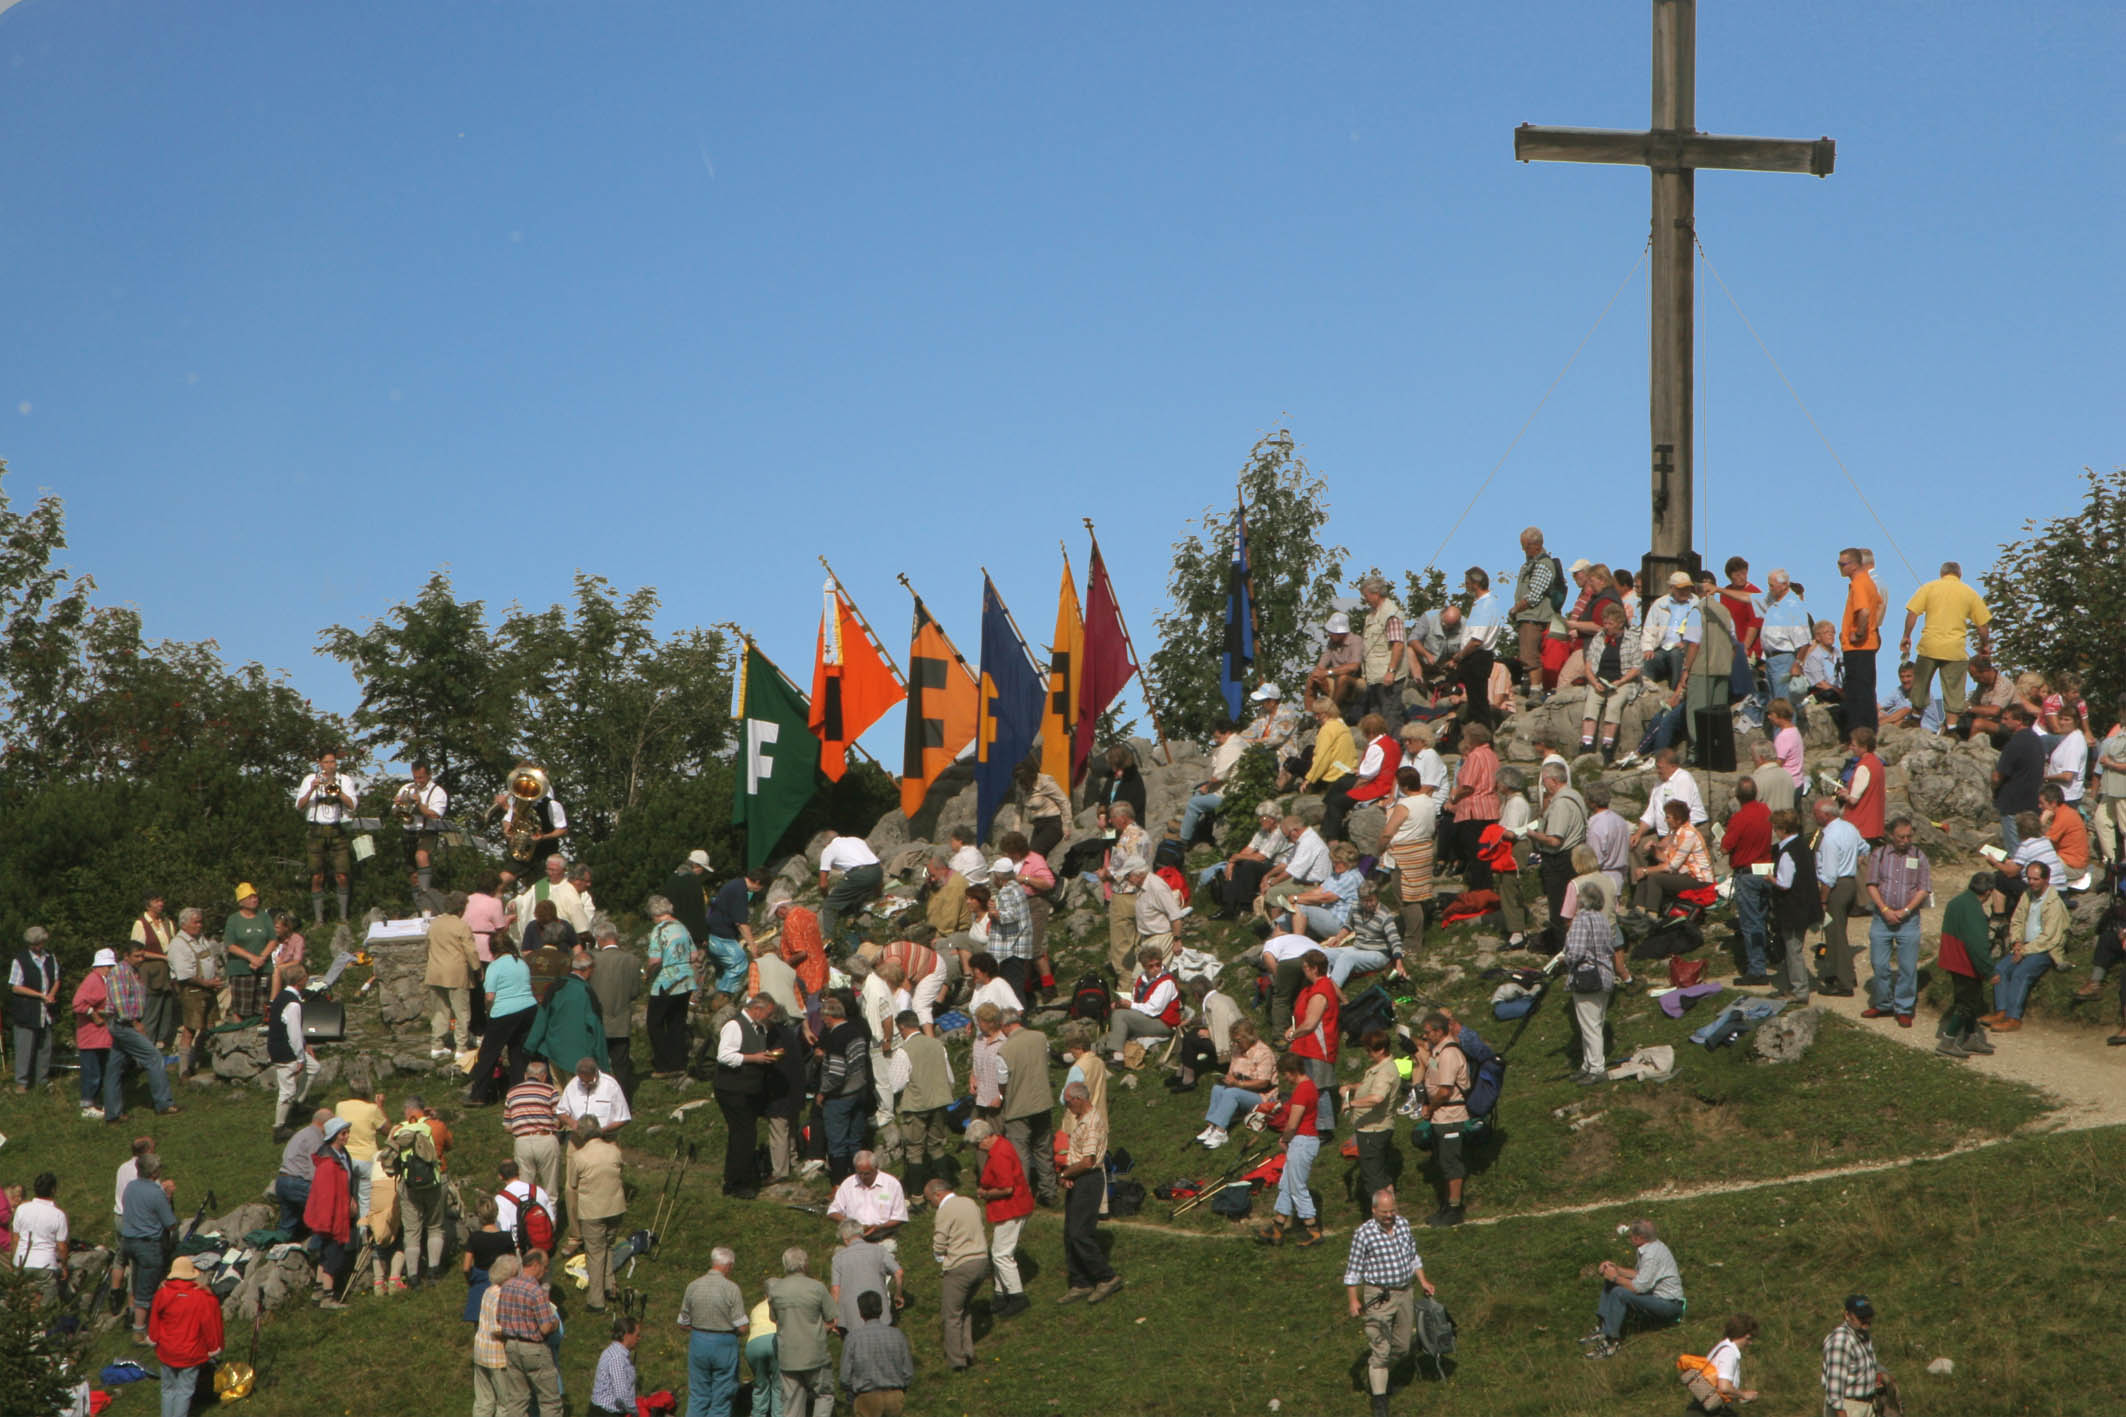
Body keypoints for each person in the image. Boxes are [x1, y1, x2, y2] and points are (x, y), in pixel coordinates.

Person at [1344, 1186, 1434, 1417]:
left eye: (1392, 1210)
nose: (1389, 1215)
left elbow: (1413, 1256)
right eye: (1384, 1211)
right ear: (1373, 1209)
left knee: (1403, 1347)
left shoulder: (1403, 1224)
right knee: (1381, 1348)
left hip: (1405, 1292)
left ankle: (1380, 1374)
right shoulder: (1363, 1234)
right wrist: (1353, 1300)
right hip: (1379, 1297)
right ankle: (1380, 1400)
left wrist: (1423, 1280)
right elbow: (1353, 1271)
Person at [1056, 1080, 1123, 1304]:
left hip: (1088, 1180)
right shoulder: (1082, 1121)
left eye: (1068, 1102)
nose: (1067, 1107)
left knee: (1079, 1233)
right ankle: (1080, 1282)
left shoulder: (1092, 1124)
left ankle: (1107, 1277)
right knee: (1070, 1233)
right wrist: (1069, 1175)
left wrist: (1066, 1175)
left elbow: (1087, 1162)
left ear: (1078, 1099)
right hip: (1079, 1178)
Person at [1862, 817, 1932, 1027]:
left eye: (1909, 836)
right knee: (1879, 963)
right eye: (1901, 836)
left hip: (1908, 920)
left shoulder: (1919, 856)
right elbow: (1871, 884)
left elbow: (1924, 888)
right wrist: (1884, 909)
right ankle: (1883, 1003)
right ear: (1891, 835)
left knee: (1908, 967)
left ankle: (1904, 1007)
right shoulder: (1879, 855)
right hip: (1881, 919)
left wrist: (1906, 910)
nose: (1905, 840)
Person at [1584, 1218, 1686, 1358]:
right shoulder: (1649, 1247)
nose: (1629, 1238)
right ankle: (1603, 1328)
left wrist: (1615, 1277)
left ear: (1639, 1238)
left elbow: (1638, 1288)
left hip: (1669, 1305)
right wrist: (1615, 1269)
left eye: (1631, 1236)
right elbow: (1640, 1275)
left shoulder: (1651, 1255)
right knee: (1612, 1283)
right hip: (1657, 1298)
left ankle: (1612, 1342)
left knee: (1619, 1292)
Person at [1987, 861, 2068, 1033]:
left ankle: (2013, 1017)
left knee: (2020, 973)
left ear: (2046, 879)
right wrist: (2017, 942)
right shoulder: (2027, 895)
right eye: (2029, 879)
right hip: (2024, 946)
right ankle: (2001, 1010)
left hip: (2044, 951)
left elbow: (2049, 938)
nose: (2031, 882)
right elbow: (2017, 920)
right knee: (2000, 968)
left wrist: (2023, 951)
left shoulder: (2054, 904)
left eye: (2036, 879)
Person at [1901, 562, 1989, 716]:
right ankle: (1951, 727)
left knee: (1920, 685)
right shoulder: (1969, 593)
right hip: (1955, 650)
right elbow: (1982, 625)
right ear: (1959, 575)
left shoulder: (1929, 587)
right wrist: (1984, 645)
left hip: (1930, 645)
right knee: (1954, 691)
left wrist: (1906, 636)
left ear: (1942, 574)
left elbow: (1912, 613)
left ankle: (1914, 719)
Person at [1561, 884, 1628, 1083]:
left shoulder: (1581, 920)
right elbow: (1609, 947)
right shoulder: (1603, 920)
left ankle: (1596, 1068)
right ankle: (1588, 1064)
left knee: (1589, 1025)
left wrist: (1564, 958)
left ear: (1582, 900)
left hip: (1586, 976)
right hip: (1605, 975)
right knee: (1595, 1022)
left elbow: (1577, 951)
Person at [714, 993, 778, 1198]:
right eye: (768, 1014)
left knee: (744, 1134)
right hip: (733, 1089)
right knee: (743, 1134)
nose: (769, 1019)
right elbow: (724, 1056)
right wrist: (755, 1058)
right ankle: (735, 1182)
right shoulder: (735, 1026)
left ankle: (739, 1178)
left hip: (748, 1089)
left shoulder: (758, 1028)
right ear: (757, 1009)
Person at [106, 942, 180, 1119]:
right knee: (154, 1057)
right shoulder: (120, 972)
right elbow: (120, 1002)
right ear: (126, 956)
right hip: (124, 1024)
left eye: (142, 956)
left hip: (127, 1023)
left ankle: (113, 1114)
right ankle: (164, 1104)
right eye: (136, 956)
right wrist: (135, 1024)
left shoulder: (134, 972)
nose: (140, 959)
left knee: (114, 1069)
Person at [967, 1119, 1033, 1316]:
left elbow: (1006, 1188)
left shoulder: (1000, 1155)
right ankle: (1000, 1293)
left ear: (986, 1138)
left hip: (1012, 1208)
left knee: (1001, 1254)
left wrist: (985, 1193)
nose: (977, 1148)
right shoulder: (1001, 1146)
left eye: (977, 1144)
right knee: (998, 1251)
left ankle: (1017, 1296)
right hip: (1014, 1207)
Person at [149, 1254, 223, 1417]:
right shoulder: (201, 1297)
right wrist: (213, 1347)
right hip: (191, 1351)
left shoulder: (163, 1293)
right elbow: (210, 1324)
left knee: (167, 1389)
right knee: (185, 1391)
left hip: (167, 1350)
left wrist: (154, 1339)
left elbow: (154, 1321)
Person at [1414, 1012, 1470, 1227]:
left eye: (1427, 1033)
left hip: (1450, 1115)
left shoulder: (1448, 1054)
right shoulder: (1439, 1052)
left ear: (1439, 1031)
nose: (1425, 1036)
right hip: (1441, 1116)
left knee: (1451, 1163)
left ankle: (1455, 1208)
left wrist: (1429, 1107)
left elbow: (1445, 1091)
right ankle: (1447, 1205)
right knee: (1444, 1162)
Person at [998, 1011, 1059, 1206]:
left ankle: (1023, 1195)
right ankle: (1049, 1191)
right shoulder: (1041, 1038)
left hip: (1018, 1107)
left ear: (1005, 1027)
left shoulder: (1004, 1050)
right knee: (1043, 1148)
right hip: (1042, 1102)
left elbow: (1002, 1081)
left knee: (1020, 1153)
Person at [767, 1247, 837, 1417]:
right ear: (805, 1264)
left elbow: (773, 1318)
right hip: (815, 1353)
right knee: (824, 1395)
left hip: (788, 1355)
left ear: (785, 1265)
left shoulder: (775, 1290)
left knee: (792, 1402)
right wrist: (821, 1330)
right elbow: (832, 1318)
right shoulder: (817, 1287)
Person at [679, 1247, 749, 1417]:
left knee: (698, 1395)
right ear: (729, 1265)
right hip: (724, 1343)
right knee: (722, 1397)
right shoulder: (731, 1288)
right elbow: (742, 1327)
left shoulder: (693, 1286)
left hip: (698, 1342)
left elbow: (682, 1322)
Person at [469, 937, 539, 1106]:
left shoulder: (495, 966)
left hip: (504, 1012)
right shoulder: (521, 963)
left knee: (488, 1053)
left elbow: (490, 995)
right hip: (529, 1009)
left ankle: (479, 1094)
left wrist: (487, 1009)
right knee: (518, 1053)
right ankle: (518, 1092)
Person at [927, 1176, 987, 1371]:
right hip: (981, 1261)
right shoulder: (970, 1202)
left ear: (937, 1194)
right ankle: (967, 1350)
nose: (932, 1204)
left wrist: (939, 1257)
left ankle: (957, 1361)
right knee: (964, 1308)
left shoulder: (946, 1210)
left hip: (960, 1266)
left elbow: (940, 1241)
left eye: (930, 1199)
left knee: (951, 1314)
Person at [567, 1115, 627, 1313]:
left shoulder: (578, 1157)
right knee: (609, 1246)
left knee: (595, 1253)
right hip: (615, 1207)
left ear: (582, 1134)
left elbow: (573, 1185)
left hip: (592, 1211)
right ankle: (611, 1286)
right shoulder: (614, 1151)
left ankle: (596, 1300)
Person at [494, 1247, 563, 1416]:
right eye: (545, 1267)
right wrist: (554, 1322)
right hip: (535, 1350)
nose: (546, 1271)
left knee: (517, 1400)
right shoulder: (535, 1290)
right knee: (550, 1402)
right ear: (535, 1265)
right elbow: (545, 1328)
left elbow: (499, 1319)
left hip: (511, 1347)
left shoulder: (507, 1286)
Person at [1720, 776, 1775, 982]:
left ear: (1737, 796)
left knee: (1751, 922)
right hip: (1765, 869)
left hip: (1748, 873)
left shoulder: (1739, 818)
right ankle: (1769, 956)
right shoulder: (1765, 811)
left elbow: (1726, 846)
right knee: (1762, 917)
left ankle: (1756, 969)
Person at [390, 1097, 450, 1281]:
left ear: (408, 1110)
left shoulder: (400, 1130)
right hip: (435, 1181)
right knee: (435, 1227)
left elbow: (389, 1152)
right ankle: (433, 1270)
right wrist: (436, 1118)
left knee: (412, 1231)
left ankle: (413, 1276)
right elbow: (449, 1145)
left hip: (409, 1185)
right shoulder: (437, 1126)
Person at [891, 1012, 955, 1188]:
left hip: (916, 1107)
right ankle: (945, 1188)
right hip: (940, 1103)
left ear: (902, 1027)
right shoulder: (938, 1045)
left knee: (914, 1151)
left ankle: (917, 1196)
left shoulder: (903, 1052)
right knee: (936, 1146)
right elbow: (950, 1078)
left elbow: (896, 1085)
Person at [1813, 798, 1868, 997]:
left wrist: (1823, 900)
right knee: (1839, 932)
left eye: (1816, 813)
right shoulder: (1850, 828)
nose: (1814, 816)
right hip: (1850, 883)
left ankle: (1844, 983)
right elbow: (1865, 847)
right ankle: (1845, 973)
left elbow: (1828, 876)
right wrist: (1856, 860)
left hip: (1836, 888)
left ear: (1826, 815)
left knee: (1835, 934)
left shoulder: (1829, 839)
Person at [643, 893, 702, 1078]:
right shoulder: (682, 928)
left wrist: (646, 972)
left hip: (666, 981)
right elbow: (694, 956)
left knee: (655, 1023)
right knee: (677, 1022)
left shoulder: (659, 930)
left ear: (653, 914)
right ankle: (679, 1063)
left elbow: (655, 959)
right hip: (685, 980)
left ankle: (663, 1065)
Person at [816, 996, 875, 1181]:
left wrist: (822, 1092)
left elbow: (836, 1074)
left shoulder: (836, 1037)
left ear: (828, 1017)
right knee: (855, 1140)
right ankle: (858, 1179)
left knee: (837, 1143)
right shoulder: (857, 1031)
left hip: (840, 1097)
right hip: (860, 1091)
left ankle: (838, 1184)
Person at [295, 749, 358, 922]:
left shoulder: (344, 780)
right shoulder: (309, 779)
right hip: (316, 830)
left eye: (333, 762)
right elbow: (299, 806)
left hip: (337, 829)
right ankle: (319, 919)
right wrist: (311, 789)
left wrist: (338, 791)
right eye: (327, 762)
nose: (330, 765)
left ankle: (343, 916)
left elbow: (352, 805)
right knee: (316, 875)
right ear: (319, 763)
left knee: (342, 874)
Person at [119, 1153, 178, 1336]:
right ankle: (139, 1330)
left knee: (136, 1281)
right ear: (155, 1172)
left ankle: (131, 1313)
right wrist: (167, 1197)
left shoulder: (130, 1187)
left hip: (128, 1241)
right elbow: (170, 1223)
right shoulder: (155, 1192)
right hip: (148, 1245)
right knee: (146, 1288)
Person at [1342, 1030, 1402, 1205]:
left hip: (1373, 1131)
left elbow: (1377, 1098)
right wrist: (1351, 1088)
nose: (1367, 1054)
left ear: (1381, 1050)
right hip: (1373, 1129)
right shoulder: (1382, 1069)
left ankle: (1383, 1217)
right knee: (1380, 1176)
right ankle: (1389, 1213)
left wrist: (1351, 1104)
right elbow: (1369, 1086)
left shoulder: (1385, 1071)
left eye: (1369, 1050)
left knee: (1374, 1180)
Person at [304, 1116, 359, 1307]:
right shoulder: (329, 1163)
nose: (347, 1137)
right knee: (333, 1255)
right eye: (343, 1133)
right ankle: (328, 1295)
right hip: (334, 1216)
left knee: (326, 1252)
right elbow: (328, 1195)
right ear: (334, 1136)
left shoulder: (341, 1156)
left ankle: (319, 1290)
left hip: (340, 1212)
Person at [1767, 808, 1820, 1003]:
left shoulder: (1787, 852)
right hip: (1806, 906)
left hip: (1793, 909)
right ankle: (1797, 985)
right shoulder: (1802, 846)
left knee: (1793, 950)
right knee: (1795, 948)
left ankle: (1799, 990)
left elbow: (1785, 883)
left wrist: (1771, 879)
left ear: (1782, 829)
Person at [425, 894, 482, 1058]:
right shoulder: (461, 926)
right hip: (456, 972)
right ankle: (461, 1047)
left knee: (439, 1011)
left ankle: (436, 1045)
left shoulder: (434, 924)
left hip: (435, 971)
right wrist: (477, 968)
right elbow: (470, 951)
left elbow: (426, 946)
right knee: (461, 1012)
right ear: (461, 908)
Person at [840, 1289, 912, 1417]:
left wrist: (853, 1393)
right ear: (881, 1309)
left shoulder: (853, 1338)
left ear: (860, 1312)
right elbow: (908, 1372)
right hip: (894, 1396)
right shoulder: (897, 1334)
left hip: (866, 1398)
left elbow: (845, 1378)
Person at [826, 1151, 909, 1264]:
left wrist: (878, 1227)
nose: (863, 1177)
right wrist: (851, 1224)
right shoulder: (848, 1184)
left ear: (876, 1168)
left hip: (883, 1236)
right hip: (854, 1238)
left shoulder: (891, 1184)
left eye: (867, 1173)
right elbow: (832, 1212)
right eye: (859, 1173)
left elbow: (900, 1217)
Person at [1632, 799, 1714, 912]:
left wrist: (1646, 870)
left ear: (1678, 819)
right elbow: (1666, 859)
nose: (1666, 820)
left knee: (1654, 877)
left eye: (1668, 817)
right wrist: (1653, 850)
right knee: (1646, 874)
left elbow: (1671, 866)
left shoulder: (1688, 834)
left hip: (1699, 879)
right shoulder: (1678, 833)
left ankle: (1651, 913)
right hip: (1686, 874)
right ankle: (1638, 910)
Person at [1836, 547, 1884, 733]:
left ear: (1854, 565)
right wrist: (1873, 628)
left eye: (1842, 564)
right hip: (1867, 644)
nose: (1839, 567)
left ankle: (1858, 732)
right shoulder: (1868, 582)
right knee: (1866, 689)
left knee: (1857, 692)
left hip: (1858, 646)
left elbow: (1864, 610)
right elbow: (1879, 605)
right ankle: (1868, 730)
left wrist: (1859, 632)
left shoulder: (1859, 583)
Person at [1104, 944, 1180, 1060]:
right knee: (1116, 1031)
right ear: (1144, 966)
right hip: (1146, 1017)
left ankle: (1117, 1056)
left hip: (1163, 1022)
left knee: (1120, 1015)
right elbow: (1137, 1000)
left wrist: (1130, 1005)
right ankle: (1088, 1052)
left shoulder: (1166, 982)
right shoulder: (1142, 978)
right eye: (1151, 966)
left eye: (1158, 964)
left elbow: (1154, 1010)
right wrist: (1121, 1003)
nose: (1156, 968)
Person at [503, 1061, 565, 1202]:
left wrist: (523, 1125)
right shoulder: (551, 1091)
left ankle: (528, 1221)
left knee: (525, 1190)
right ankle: (550, 1221)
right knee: (551, 1191)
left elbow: (507, 1126)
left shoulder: (512, 1092)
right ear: (544, 1076)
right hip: (546, 1139)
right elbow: (558, 1121)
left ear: (526, 1075)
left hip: (522, 1141)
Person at [830, 1217, 902, 1338]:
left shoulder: (838, 1258)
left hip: (852, 1318)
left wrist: (834, 1317)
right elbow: (899, 1272)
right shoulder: (879, 1251)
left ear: (845, 1238)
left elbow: (835, 1290)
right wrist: (898, 1294)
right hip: (880, 1313)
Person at [268, 964, 316, 1142]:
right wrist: (300, 1055)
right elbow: (294, 1032)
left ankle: (298, 1103)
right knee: (287, 1090)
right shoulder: (293, 1004)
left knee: (314, 1068)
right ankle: (279, 1127)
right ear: (301, 981)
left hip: (285, 1046)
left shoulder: (282, 996)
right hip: (285, 1050)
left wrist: (305, 1045)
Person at [9, 925, 61, 1092]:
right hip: (27, 1010)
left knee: (44, 1047)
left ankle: (42, 1081)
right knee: (24, 1048)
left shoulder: (50, 957)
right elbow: (16, 987)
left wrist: (51, 994)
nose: (38, 947)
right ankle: (21, 1083)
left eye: (40, 943)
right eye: (34, 945)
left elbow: (57, 979)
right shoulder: (20, 960)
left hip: (46, 1011)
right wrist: (40, 995)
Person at [1821, 1294, 1890, 1417]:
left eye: (1868, 1316)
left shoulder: (1862, 1335)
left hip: (1868, 1405)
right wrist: (1841, 1412)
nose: (1866, 1320)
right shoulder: (1841, 1341)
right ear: (1847, 1315)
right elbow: (1834, 1385)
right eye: (1861, 1317)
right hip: (1848, 1408)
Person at [1181, 719, 1248, 842]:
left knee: (1193, 803)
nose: (1217, 740)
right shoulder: (1241, 742)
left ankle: (1183, 839)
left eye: (1218, 737)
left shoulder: (1230, 748)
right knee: (1198, 792)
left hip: (1230, 793)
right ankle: (1192, 828)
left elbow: (1219, 776)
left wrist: (1206, 787)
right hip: (1238, 787)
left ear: (1227, 732)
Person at [70, 947, 117, 1120]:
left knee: (100, 1071)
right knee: (92, 1072)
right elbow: (78, 1004)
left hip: (101, 1036)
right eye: (110, 966)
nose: (111, 969)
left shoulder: (102, 980)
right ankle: (87, 1106)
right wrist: (93, 1013)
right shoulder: (92, 980)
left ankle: (96, 1102)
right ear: (102, 966)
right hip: (91, 1036)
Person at [130, 894, 180, 1052]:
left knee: (166, 1012)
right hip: (150, 973)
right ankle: (145, 1049)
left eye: (162, 900)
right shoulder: (141, 924)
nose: (161, 904)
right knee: (151, 1012)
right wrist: (163, 957)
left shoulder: (168, 923)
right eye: (157, 901)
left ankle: (161, 1046)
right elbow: (137, 950)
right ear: (148, 905)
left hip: (167, 973)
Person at [818, 831, 884, 951]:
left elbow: (823, 884)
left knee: (828, 906)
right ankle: (858, 931)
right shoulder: (856, 839)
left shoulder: (829, 849)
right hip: (877, 871)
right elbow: (873, 861)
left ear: (825, 843)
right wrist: (879, 894)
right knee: (851, 901)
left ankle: (830, 942)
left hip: (859, 875)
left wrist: (827, 898)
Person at [1682, 1314, 1760, 1413]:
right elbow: (1724, 1387)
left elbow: (1718, 1388)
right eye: (1750, 1339)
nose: (1750, 1343)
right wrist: (1744, 1394)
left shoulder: (1720, 1347)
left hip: (1700, 1407)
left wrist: (1737, 1396)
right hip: (1712, 1411)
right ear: (1746, 1336)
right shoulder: (1729, 1353)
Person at [221, 883, 274, 1023]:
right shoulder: (233, 919)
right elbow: (230, 945)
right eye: (250, 897)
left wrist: (261, 958)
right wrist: (251, 957)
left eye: (255, 896)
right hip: (241, 969)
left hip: (263, 968)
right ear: (241, 901)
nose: (255, 900)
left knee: (262, 1006)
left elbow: (273, 939)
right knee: (241, 1008)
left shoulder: (264, 917)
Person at [1306, 609, 1365, 713]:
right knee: (1312, 678)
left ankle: (1331, 711)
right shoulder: (1332, 643)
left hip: (1356, 681)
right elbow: (1322, 664)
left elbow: (1354, 666)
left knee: (1343, 679)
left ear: (1341, 632)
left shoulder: (1356, 640)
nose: (1329, 634)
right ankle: (1310, 712)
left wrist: (1328, 672)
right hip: (1336, 680)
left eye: (1332, 632)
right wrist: (1317, 673)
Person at [561, 1054, 632, 1139]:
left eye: (590, 1082)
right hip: (578, 1137)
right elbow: (561, 1112)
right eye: (583, 1082)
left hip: (605, 1138)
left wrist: (601, 1131)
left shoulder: (610, 1085)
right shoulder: (573, 1084)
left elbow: (624, 1118)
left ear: (596, 1073)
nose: (586, 1085)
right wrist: (573, 1123)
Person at [586, 1315, 642, 1417]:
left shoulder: (620, 1354)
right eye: (637, 1335)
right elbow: (621, 1396)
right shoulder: (617, 1358)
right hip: (605, 1413)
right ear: (627, 1335)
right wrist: (637, 1412)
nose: (639, 1338)